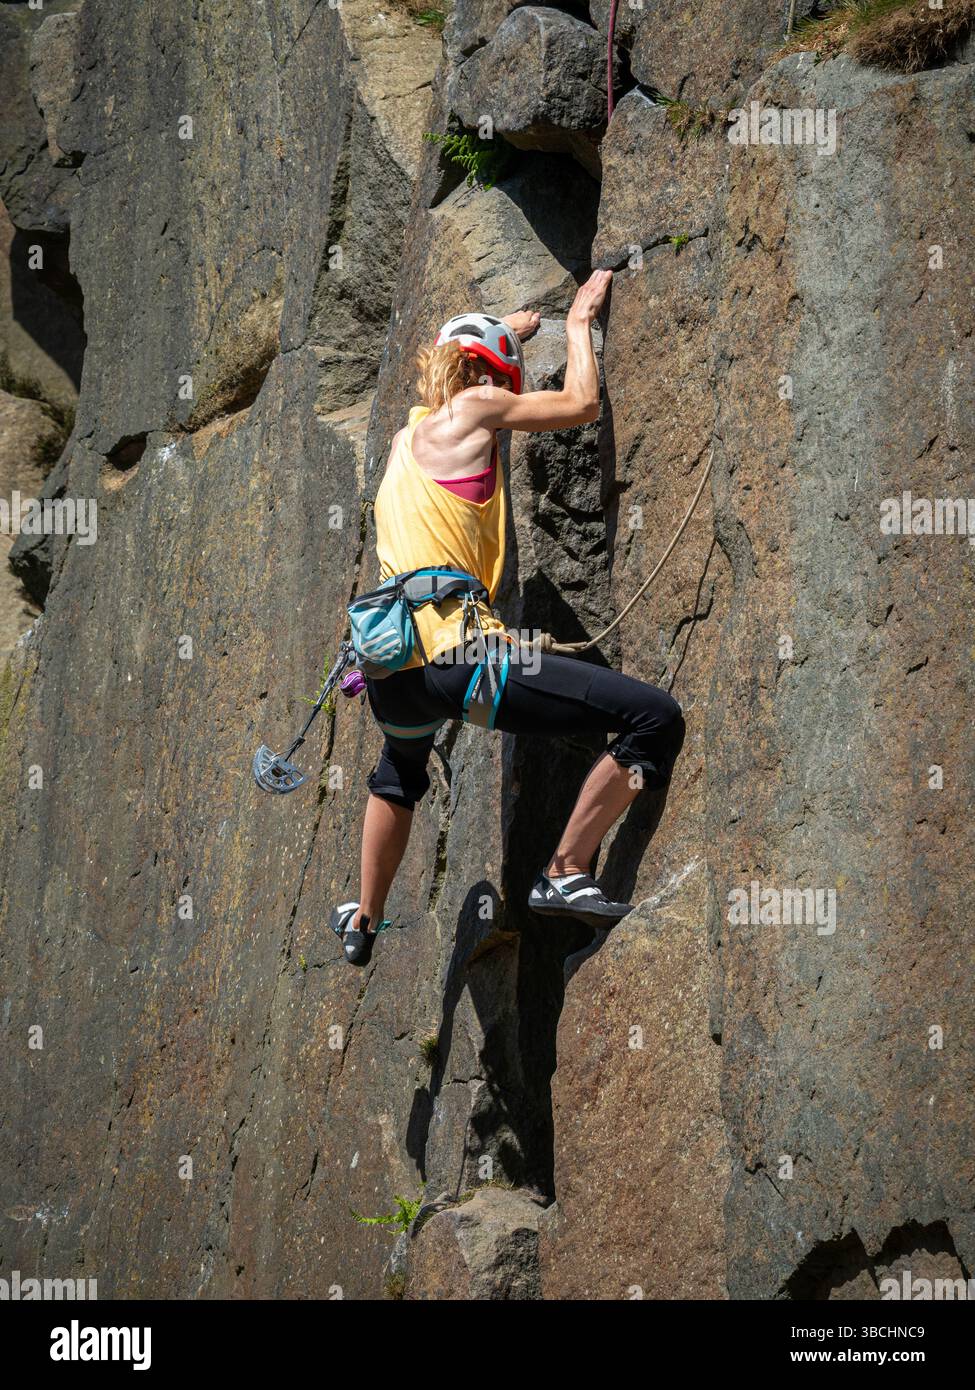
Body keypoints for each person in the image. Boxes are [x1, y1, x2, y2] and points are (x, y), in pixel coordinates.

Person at [332, 270, 685, 964]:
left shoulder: (405, 440)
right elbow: (580, 403)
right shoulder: (477, 406)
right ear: (490, 377)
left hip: (391, 673)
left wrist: (506, 330)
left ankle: (363, 918)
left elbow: (458, 363)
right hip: (465, 658)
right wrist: (577, 323)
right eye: (504, 381)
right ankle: (566, 870)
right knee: (654, 717)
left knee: (397, 774)